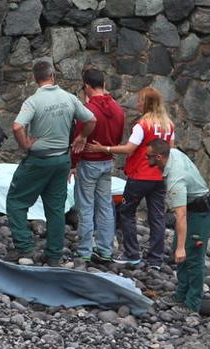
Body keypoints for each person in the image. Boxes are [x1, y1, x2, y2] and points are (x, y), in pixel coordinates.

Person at [5, 60, 97, 267]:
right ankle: (54, 255)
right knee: (55, 208)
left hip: (39, 159)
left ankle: (25, 247)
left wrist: (25, 145)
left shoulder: (33, 101)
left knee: (16, 201)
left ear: (35, 78)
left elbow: (18, 126)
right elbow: (91, 119)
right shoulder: (69, 98)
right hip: (62, 159)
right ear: (53, 76)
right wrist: (82, 137)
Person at [86, 87, 174, 269]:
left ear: (147, 103)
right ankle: (155, 259)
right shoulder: (168, 125)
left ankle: (132, 253)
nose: (137, 103)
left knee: (126, 212)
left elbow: (129, 148)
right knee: (157, 217)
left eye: (141, 100)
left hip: (140, 176)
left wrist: (105, 149)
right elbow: (169, 152)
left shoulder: (143, 125)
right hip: (159, 178)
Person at [147, 139, 210, 316]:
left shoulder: (175, 180)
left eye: (149, 157)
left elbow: (181, 215)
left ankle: (192, 303)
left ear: (160, 157)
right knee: (181, 251)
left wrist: (180, 248)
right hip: (193, 208)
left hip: (200, 213)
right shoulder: (173, 153)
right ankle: (181, 294)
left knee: (193, 257)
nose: (147, 161)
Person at [70, 68, 125, 263]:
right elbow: (118, 138)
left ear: (86, 86)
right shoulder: (118, 109)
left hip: (88, 162)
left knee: (85, 206)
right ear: (104, 84)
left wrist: (73, 164)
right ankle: (106, 249)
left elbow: (78, 141)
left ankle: (85, 250)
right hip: (107, 161)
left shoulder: (88, 111)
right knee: (105, 206)